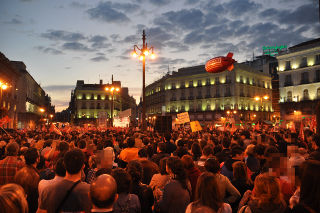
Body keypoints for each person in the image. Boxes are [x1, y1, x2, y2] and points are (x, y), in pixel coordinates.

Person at [38, 149, 91, 213]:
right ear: (83, 166)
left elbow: (41, 211)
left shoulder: (48, 189)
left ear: (64, 165)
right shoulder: (89, 191)